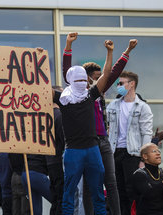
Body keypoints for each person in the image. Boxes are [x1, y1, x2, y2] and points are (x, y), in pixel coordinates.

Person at [63, 32, 138, 215]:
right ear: (85, 77)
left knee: (109, 182)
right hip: (83, 143)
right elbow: (66, 70)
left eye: (99, 76)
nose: (98, 78)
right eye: (94, 76)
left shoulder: (96, 91)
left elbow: (112, 72)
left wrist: (126, 50)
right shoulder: (74, 95)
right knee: (87, 187)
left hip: (101, 142)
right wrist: (68, 46)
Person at [52, 40, 115, 215]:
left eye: (83, 79)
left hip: (93, 150)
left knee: (98, 192)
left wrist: (109, 52)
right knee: (69, 192)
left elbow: (107, 74)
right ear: (70, 81)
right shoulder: (62, 98)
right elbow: (41, 88)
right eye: (77, 79)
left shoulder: (90, 95)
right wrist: (38, 63)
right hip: (73, 152)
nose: (81, 82)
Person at [106, 70, 153, 215]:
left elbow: (146, 133)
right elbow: (106, 128)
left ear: (131, 84)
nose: (118, 86)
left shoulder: (142, 107)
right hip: (115, 152)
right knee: (117, 190)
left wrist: (143, 159)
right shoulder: (113, 105)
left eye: (121, 83)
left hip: (132, 153)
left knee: (132, 190)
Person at [46, 86, 65, 215]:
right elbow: (64, 140)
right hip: (59, 160)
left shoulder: (44, 116)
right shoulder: (60, 116)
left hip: (49, 161)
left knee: (55, 198)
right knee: (61, 197)